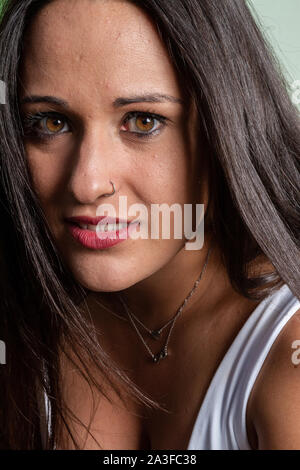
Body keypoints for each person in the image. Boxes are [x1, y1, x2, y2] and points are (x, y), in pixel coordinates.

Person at [0, 0, 299, 450]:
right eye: (51, 122)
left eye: (142, 121)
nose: (87, 183)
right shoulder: (26, 316)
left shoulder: (286, 359)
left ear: (227, 125)